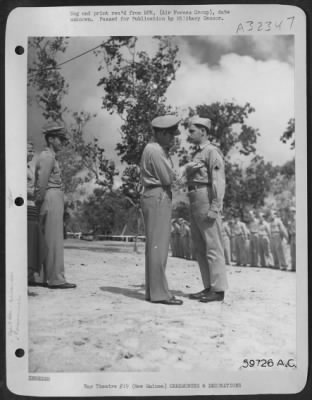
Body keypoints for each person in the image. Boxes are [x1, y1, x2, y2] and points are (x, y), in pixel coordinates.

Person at [140, 115, 183, 305]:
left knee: (155, 246)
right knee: (159, 247)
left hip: (154, 196)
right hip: (158, 195)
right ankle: (159, 293)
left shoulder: (155, 149)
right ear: (162, 133)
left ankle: (153, 291)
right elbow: (168, 179)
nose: (173, 139)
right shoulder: (156, 150)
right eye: (171, 135)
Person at [185, 116, 228, 303]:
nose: (189, 134)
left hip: (206, 197)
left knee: (213, 246)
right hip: (195, 198)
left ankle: (218, 290)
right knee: (200, 248)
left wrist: (215, 206)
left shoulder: (212, 152)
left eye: (192, 130)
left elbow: (219, 180)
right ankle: (208, 286)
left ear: (203, 131)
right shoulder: (197, 154)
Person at [35, 121, 76, 289]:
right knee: (53, 240)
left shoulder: (50, 157)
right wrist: (40, 200)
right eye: (60, 139)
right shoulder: (47, 156)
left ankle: (44, 277)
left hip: (53, 197)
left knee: (48, 239)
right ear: (51, 139)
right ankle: (55, 278)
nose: (62, 143)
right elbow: (43, 182)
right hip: (50, 197)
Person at [27, 141, 47, 286]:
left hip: (32, 206)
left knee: (35, 242)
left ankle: (30, 275)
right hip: (25, 208)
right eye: (28, 149)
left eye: (32, 150)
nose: (31, 153)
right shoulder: (14, 167)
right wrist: (32, 191)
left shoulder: (30, 167)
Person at [288, 207, 296, 271]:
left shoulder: (297, 219)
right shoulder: (290, 220)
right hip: (292, 237)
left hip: (297, 237)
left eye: (292, 212)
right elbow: (289, 229)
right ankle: (293, 267)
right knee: (292, 253)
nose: (291, 213)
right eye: (290, 212)